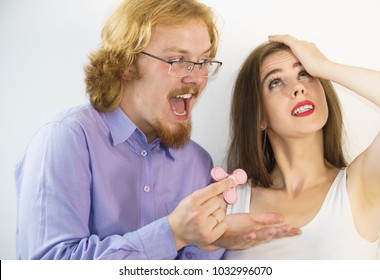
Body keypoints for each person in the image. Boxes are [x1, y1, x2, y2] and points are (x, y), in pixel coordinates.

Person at [14, 0, 300, 260]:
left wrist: (209, 243)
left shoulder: (198, 163)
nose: (197, 78)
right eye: (178, 61)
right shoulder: (66, 140)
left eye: (203, 61)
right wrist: (172, 234)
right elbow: (47, 267)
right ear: (125, 63)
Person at [223, 35, 380, 259]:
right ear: (259, 116)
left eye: (305, 74)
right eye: (275, 82)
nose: (298, 88)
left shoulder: (359, 187)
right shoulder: (230, 202)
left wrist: (323, 66)